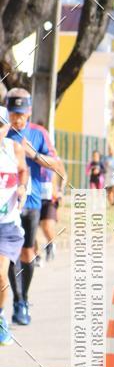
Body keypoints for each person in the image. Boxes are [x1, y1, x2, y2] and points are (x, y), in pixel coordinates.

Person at [6, 89, 62, 325]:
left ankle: (23, 299)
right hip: (7, 203)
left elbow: (56, 163)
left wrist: (34, 155)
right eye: (12, 113)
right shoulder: (2, 131)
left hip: (31, 202)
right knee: (9, 255)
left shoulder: (39, 134)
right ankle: (17, 300)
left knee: (27, 252)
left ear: (29, 112)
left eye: (21, 114)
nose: (17, 119)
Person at [0, 106, 28, 345]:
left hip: (6, 226)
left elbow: (22, 170)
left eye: (0, 125)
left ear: (7, 127)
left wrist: (21, 187)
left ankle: (0, 317)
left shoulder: (13, 148)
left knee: (0, 275)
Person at [31, 121, 65, 263]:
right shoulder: (32, 157)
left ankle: (51, 245)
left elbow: (63, 174)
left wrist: (61, 191)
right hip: (35, 194)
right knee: (31, 229)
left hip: (50, 196)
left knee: (46, 226)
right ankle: (36, 255)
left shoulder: (53, 158)